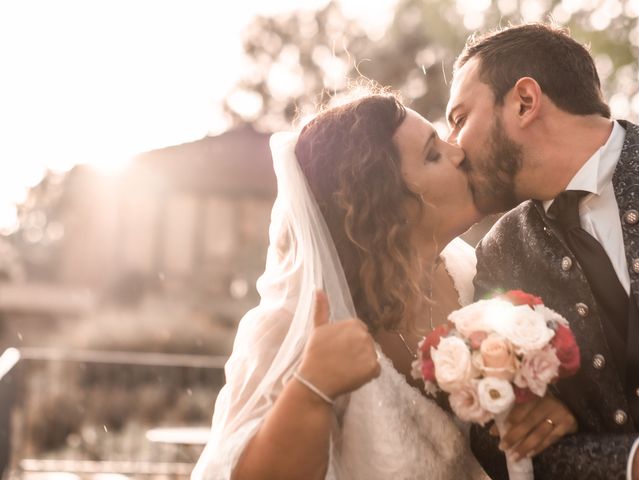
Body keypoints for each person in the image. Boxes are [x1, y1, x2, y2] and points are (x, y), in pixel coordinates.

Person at [192, 90, 576, 480]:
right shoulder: (297, 324)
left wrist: (546, 415)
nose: (458, 152)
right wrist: (311, 389)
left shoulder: (476, 278)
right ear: (385, 206)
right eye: (432, 154)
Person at [445, 22, 639, 479]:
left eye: (458, 120)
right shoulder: (502, 252)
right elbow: (496, 444)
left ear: (525, 102)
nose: (453, 149)